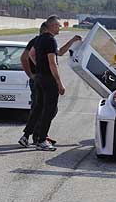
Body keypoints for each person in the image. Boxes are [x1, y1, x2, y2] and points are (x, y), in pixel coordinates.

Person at [22, 15, 81, 151]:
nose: (59, 27)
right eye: (58, 25)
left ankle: (26, 136)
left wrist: (38, 68)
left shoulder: (38, 40)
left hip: (39, 78)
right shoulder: (50, 40)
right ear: (52, 26)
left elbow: (32, 54)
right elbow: (53, 63)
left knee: (38, 107)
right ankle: (42, 140)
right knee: (49, 110)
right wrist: (59, 83)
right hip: (49, 79)